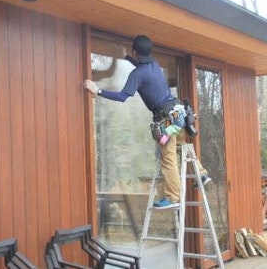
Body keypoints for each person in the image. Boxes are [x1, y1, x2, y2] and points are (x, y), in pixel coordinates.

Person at [84, 35, 211, 209]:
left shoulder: (137, 74)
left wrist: (96, 90)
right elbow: (142, 69)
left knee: (168, 158)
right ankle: (202, 174)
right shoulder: (154, 65)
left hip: (167, 121)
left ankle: (174, 197)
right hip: (179, 114)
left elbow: (122, 97)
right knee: (181, 146)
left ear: (135, 51)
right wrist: (127, 57)